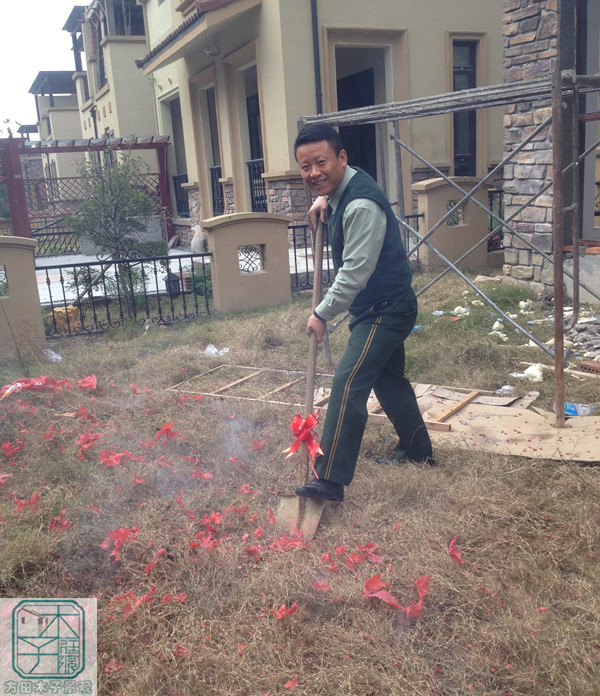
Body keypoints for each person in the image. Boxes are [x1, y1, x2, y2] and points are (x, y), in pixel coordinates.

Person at [293, 123, 434, 502]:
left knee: (347, 384)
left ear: (342, 157)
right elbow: (340, 192)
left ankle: (330, 481)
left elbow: (355, 273)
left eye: (321, 162)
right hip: (384, 304)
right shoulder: (346, 189)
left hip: (384, 311)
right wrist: (326, 199)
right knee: (389, 381)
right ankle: (420, 452)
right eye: (305, 167)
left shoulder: (360, 206)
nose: (313, 173)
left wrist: (322, 313)